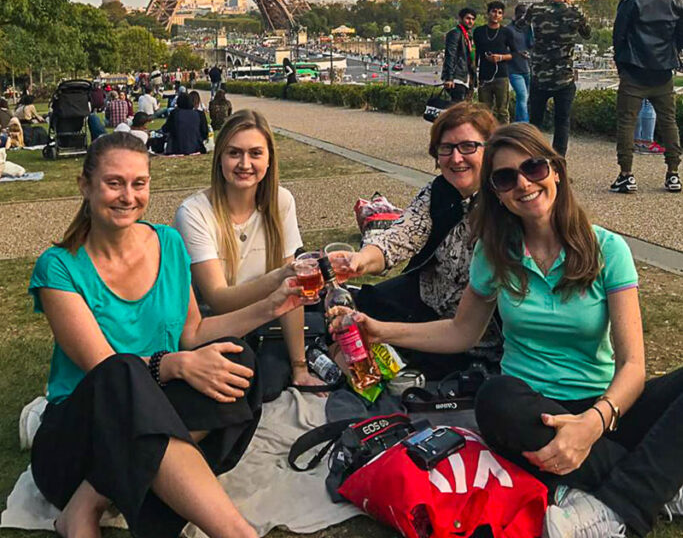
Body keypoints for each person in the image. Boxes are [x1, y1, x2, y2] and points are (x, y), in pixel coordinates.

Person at [348, 123, 683, 538]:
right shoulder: (494, 254)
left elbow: (632, 366)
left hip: (602, 408)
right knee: (495, 397)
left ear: (555, 170)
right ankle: (659, 477)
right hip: (531, 410)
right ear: (498, 194)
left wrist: (593, 424)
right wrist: (380, 331)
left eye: (534, 168)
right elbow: (460, 332)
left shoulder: (608, 250)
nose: (523, 183)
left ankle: (618, 502)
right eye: (506, 178)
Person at [28, 131, 305, 538]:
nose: (128, 196)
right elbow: (104, 371)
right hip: (79, 438)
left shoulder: (168, 243)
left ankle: (89, 500)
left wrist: (271, 306)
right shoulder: (59, 267)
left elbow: (193, 332)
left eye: (139, 183)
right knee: (123, 371)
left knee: (238, 359)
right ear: (84, 186)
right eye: (114, 183)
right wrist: (172, 364)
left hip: (141, 425)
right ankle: (236, 533)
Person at [346, 102, 502, 378]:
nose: (456, 158)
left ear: (489, 149)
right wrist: (359, 261)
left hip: (479, 327)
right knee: (357, 308)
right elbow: (401, 235)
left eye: (468, 146)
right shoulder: (438, 191)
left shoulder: (506, 199)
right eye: (446, 148)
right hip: (428, 296)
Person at [174, 109, 323, 396]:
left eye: (255, 153)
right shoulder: (194, 213)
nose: (245, 164)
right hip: (213, 327)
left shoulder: (282, 201)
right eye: (234, 153)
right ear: (219, 158)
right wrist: (281, 277)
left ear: (269, 160)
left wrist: (300, 368)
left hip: (266, 320)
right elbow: (218, 300)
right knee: (253, 385)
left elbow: (292, 295)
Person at [610, 0, 683, 194]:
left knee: (626, 123)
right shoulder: (673, 2)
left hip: (634, 70)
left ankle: (626, 174)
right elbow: (680, 38)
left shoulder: (631, 0)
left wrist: (622, 66)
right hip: (662, 72)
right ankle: (673, 174)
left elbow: (619, 35)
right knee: (669, 122)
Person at [524, 0, 591, 158]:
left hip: (540, 75)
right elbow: (587, 34)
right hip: (564, 76)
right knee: (562, 122)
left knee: (535, 122)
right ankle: (558, 163)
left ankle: (534, 158)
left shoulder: (536, 10)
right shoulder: (575, 12)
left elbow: (521, 25)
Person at [473, 2, 514, 123]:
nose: (496, 15)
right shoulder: (479, 32)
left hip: (501, 76)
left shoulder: (506, 32)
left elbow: (515, 54)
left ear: (502, 16)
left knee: (502, 110)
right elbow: (477, 54)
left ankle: (503, 138)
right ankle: (486, 137)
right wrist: (473, 74)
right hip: (484, 77)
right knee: (484, 111)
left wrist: (500, 57)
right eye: (494, 11)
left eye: (499, 13)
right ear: (488, 13)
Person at [442, 7, 477, 102]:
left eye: (473, 19)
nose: (470, 21)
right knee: (458, 108)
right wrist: (449, 78)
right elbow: (450, 55)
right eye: (468, 18)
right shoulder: (455, 33)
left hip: (465, 77)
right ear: (460, 19)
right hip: (457, 77)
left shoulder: (467, 36)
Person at [508, 4, 533, 123]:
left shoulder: (528, 28)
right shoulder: (509, 30)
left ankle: (519, 123)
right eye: (522, 13)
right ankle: (524, 124)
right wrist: (518, 53)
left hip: (527, 67)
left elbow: (532, 45)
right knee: (522, 95)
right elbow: (505, 48)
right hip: (514, 69)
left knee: (524, 98)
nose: (523, 17)